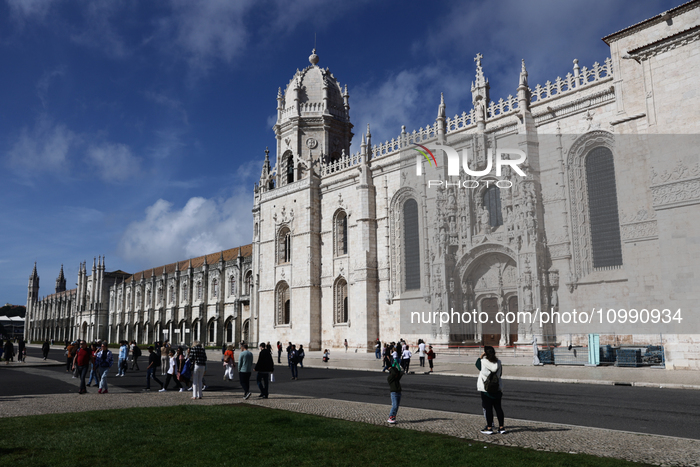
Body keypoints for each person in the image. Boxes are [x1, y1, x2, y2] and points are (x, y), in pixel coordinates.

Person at [477, 346, 506, 435]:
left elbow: (477, 363)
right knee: (498, 408)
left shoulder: (482, 362)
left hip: (486, 389)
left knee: (488, 409)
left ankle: (489, 427)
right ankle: (501, 427)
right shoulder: (499, 362)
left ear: (486, 353)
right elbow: (500, 374)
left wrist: (481, 355)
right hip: (497, 388)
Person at [387, 355, 403, 424]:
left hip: (398, 392)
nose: (396, 374)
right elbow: (393, 373)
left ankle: (393, 417)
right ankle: (390, 417)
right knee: (395, 405)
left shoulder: (396, 378)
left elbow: (400, 372)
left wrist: (396, 365)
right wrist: (391, 368)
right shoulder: (390, 378)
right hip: (394, 393)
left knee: (396, 406)